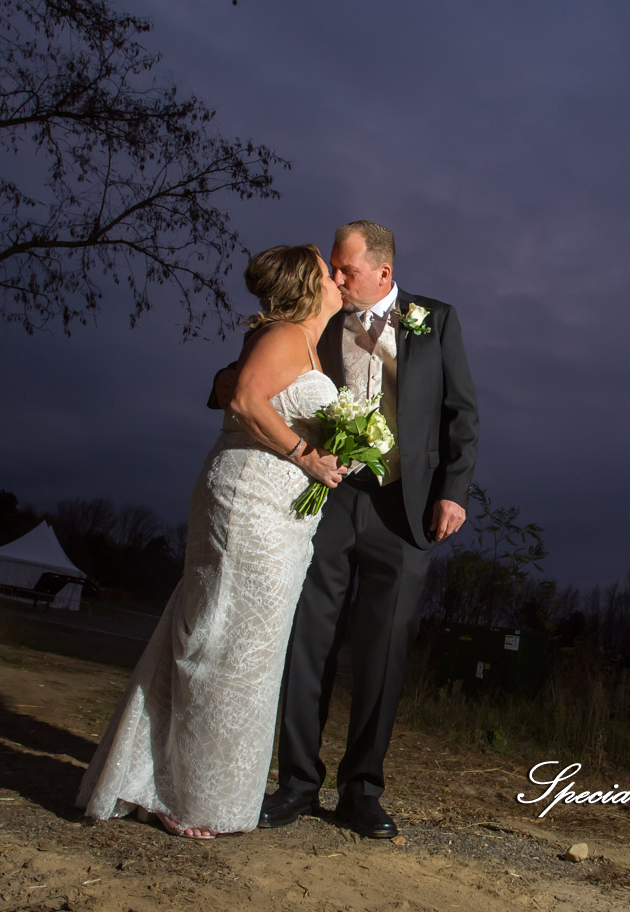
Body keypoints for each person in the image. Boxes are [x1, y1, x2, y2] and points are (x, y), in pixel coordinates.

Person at [215, 220, 479, 839]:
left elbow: (461, 414)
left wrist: (454, 493)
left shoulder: (436, 319)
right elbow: (244, 373)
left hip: (404, 510)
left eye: (346, 269)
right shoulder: (322, 313)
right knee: (307, 638)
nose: (334, 278)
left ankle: (362, 792)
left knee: (383, 651)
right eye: (333, 267)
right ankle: (297, 784)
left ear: (384, 274)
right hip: (327, 499)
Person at [76, 244, 347, 840]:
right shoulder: (282, 335)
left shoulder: (306, 344)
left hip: (282, 515)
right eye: (329, 272)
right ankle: (178, 794)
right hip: (246, 502)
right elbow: (245, 397)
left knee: (248, 650)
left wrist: (333, 456)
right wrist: (307, 456)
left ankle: (177, 783)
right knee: (217, 639)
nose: (337, 279)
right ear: (310, 284)